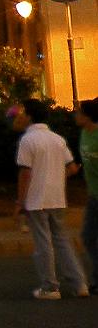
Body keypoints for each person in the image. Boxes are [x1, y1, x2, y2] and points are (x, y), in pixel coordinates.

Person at [11, 97, 89, 301]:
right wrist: (54, 175)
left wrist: (20, 201)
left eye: (22, 113)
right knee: (62, 240)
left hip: (36, 199)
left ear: (29, 116)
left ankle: (50, 286)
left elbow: (25, 173)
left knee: (43, 243)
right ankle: (79, 283)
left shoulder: (28, 140)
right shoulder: (57, 139)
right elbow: (72, 168)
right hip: (57, 198)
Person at [77, 100, 98, 282]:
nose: (76, 116)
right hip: (93, 196)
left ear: (88, 116)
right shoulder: (84, 133)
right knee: (88, 237)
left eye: (79, 113)